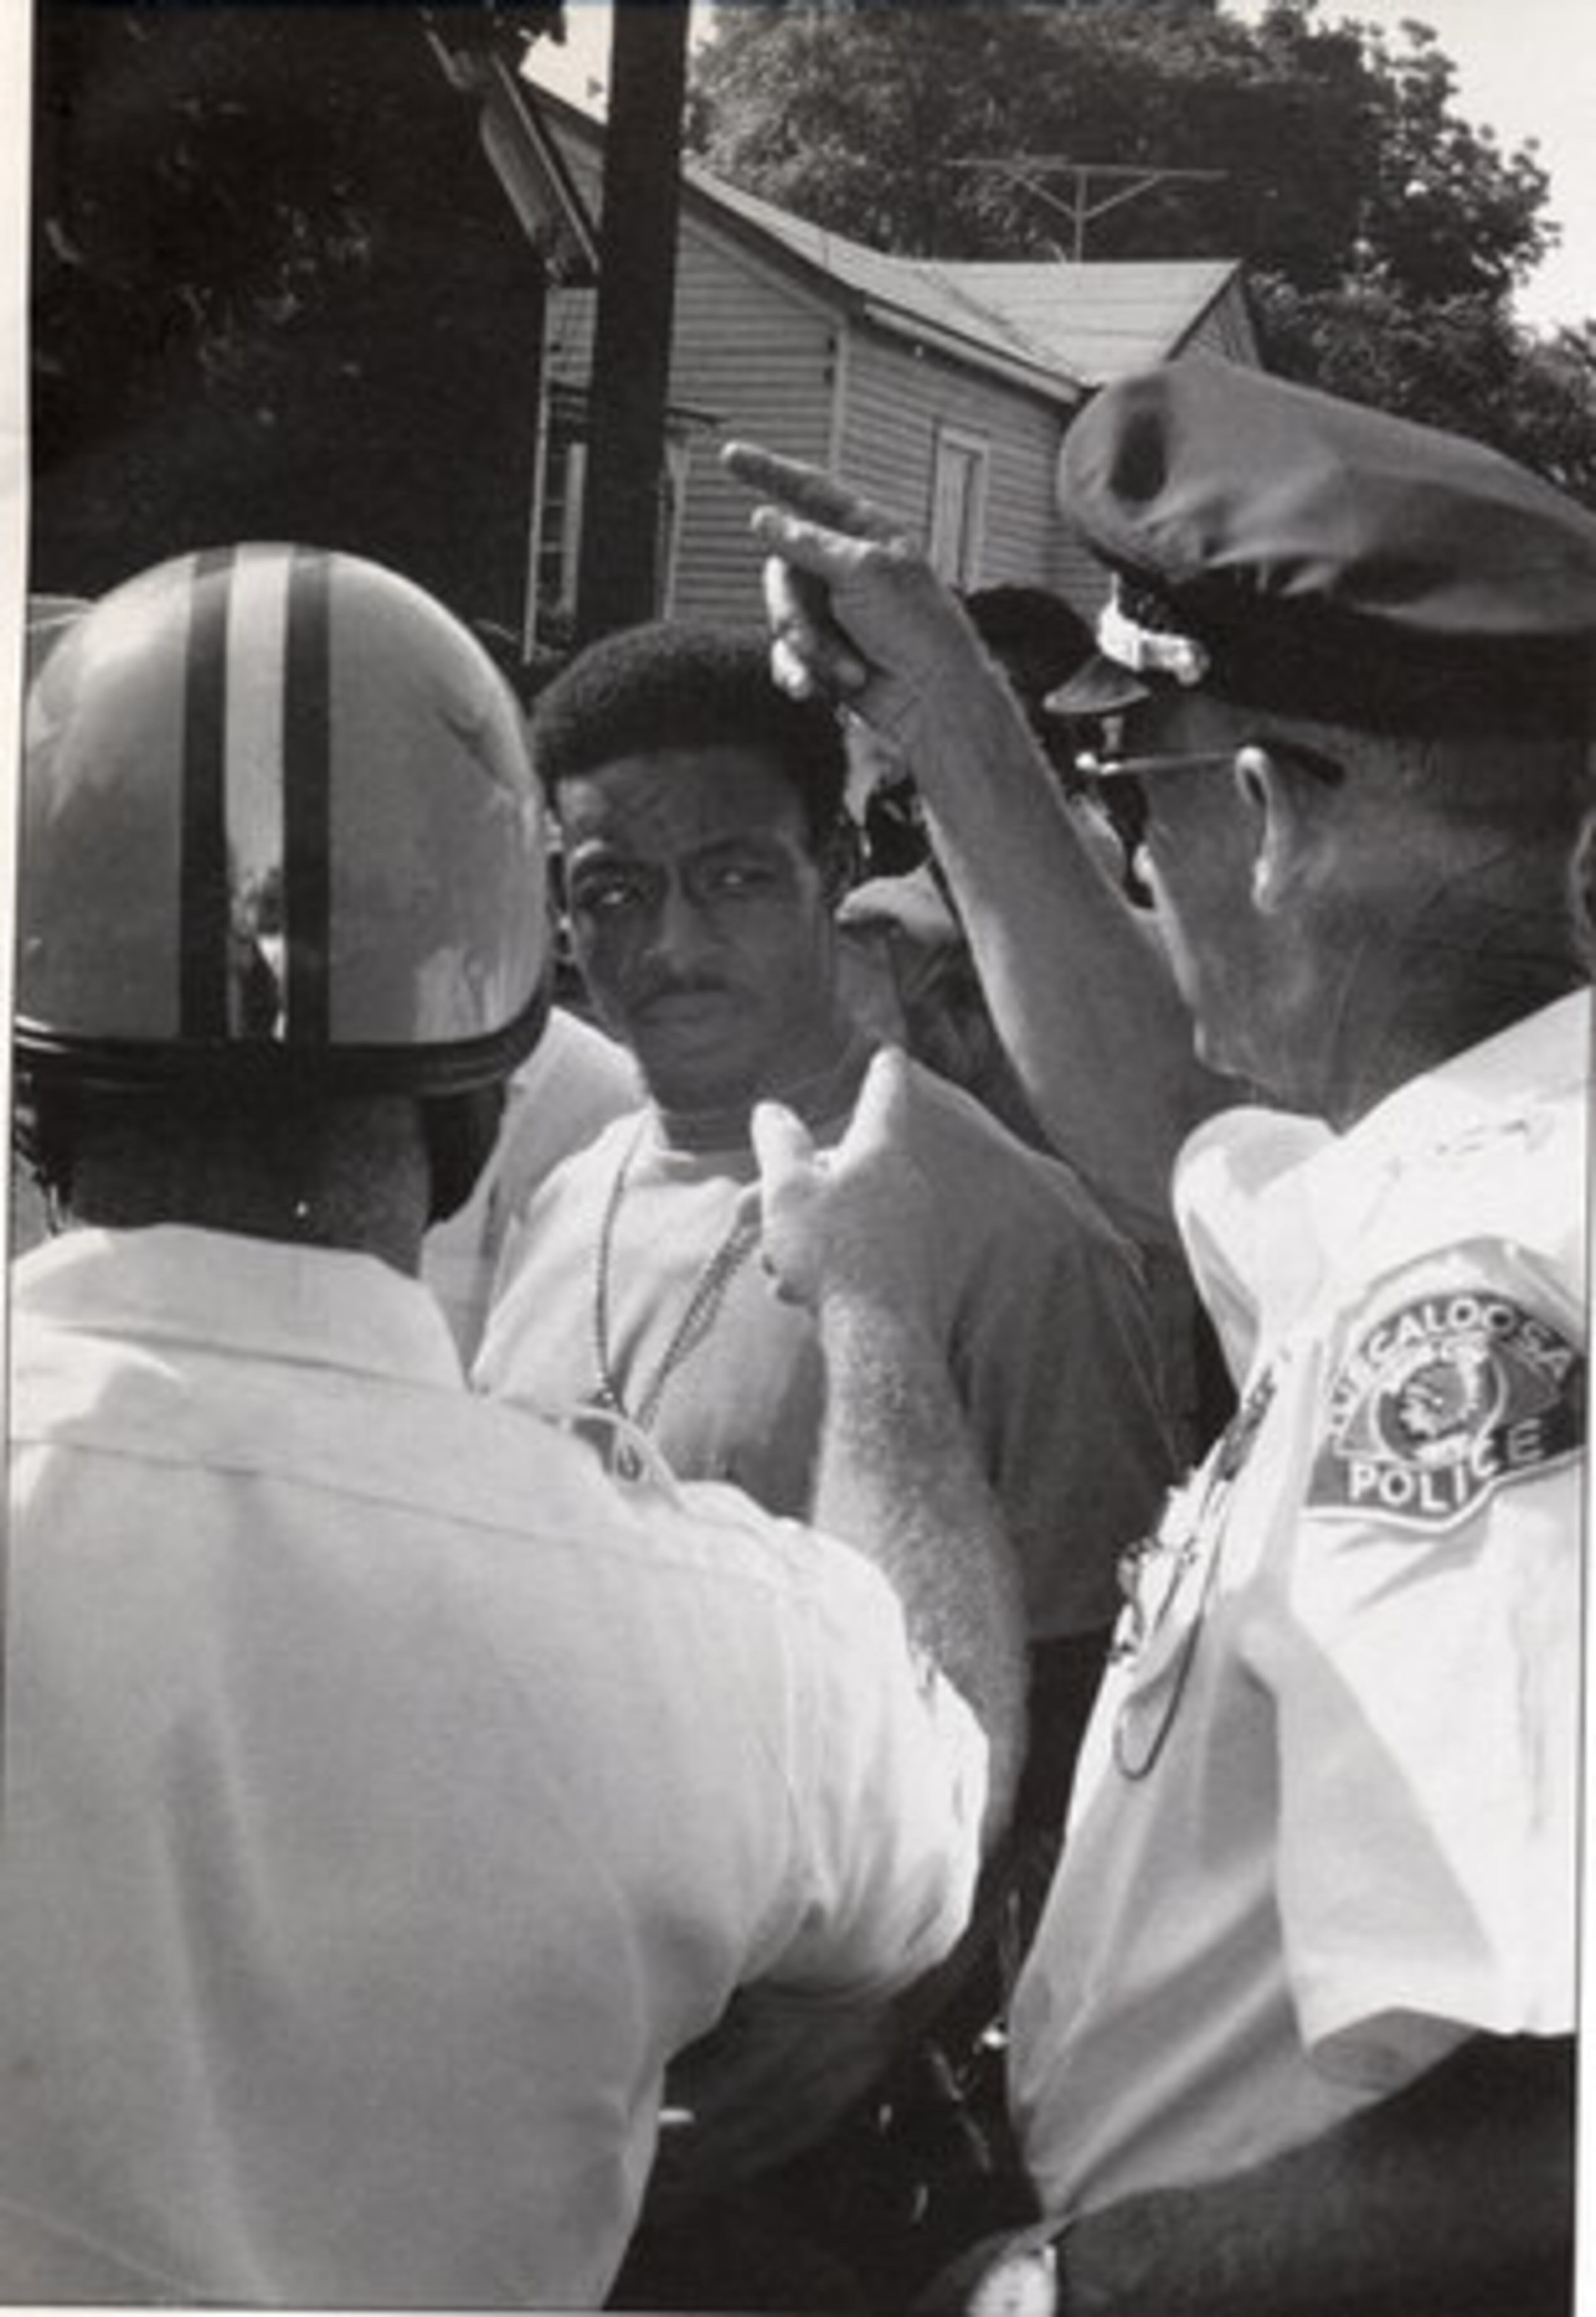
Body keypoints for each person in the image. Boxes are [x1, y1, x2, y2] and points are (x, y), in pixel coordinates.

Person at [0, 543, 1027, 2307]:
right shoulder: (716, 1636)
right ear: (486, 1097)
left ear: (32, 1089)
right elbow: (947, 1781)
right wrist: (870, 1316)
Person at [724, 355, 1590, 2317]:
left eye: (1142, 788)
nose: (1136, 856)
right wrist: (944, 715)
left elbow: (1556, 2123)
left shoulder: (1478, 1293)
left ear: (1269, 813)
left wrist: (1070, 2292)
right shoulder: (1456, 1176)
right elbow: (1164, 1125)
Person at [471, 618, 1175, 2256]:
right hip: (550, 2085)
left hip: (826, 2143)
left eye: (730, 876)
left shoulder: (1008, 1233)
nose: (667, 945)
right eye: (611, 892)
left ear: (836, 859)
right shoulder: (567, 1190)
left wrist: (881, 2018)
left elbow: (1095, 1742)